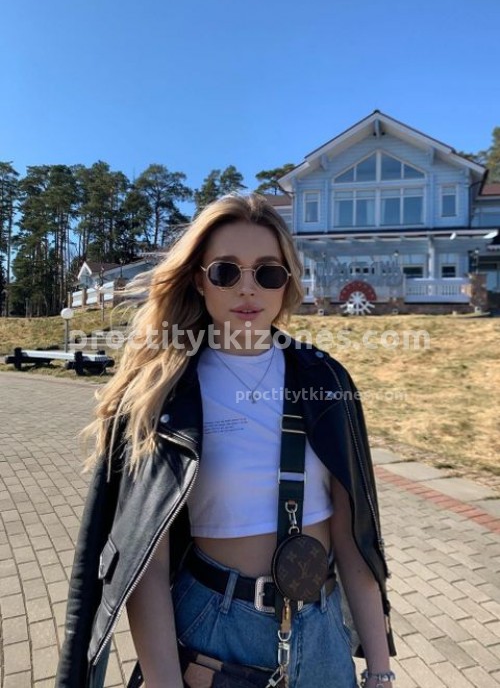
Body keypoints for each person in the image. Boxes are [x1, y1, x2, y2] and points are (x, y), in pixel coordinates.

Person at [56, 193, 396, 688]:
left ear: (287, 282)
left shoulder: (326, 380)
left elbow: (353, 539)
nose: (247, 287)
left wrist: (381, 670)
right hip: (216, 628)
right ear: (199, 280)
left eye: (267, 272)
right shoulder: (162, 392)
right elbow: (146, 564)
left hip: (323, 628)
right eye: (225, 271)